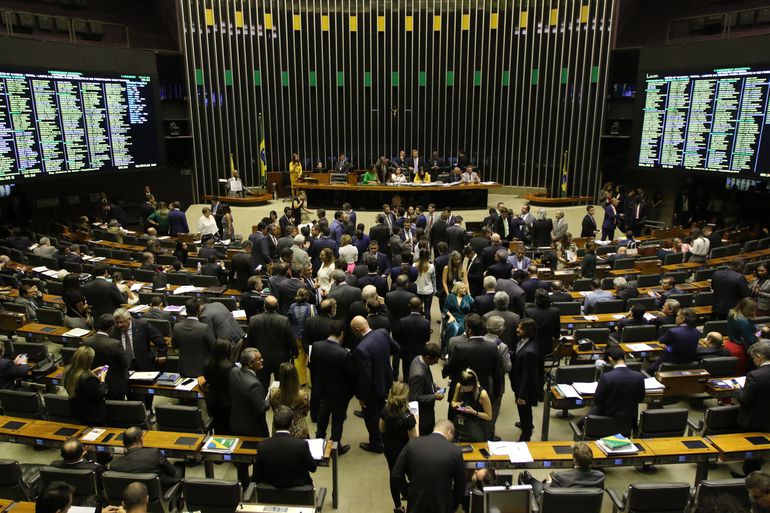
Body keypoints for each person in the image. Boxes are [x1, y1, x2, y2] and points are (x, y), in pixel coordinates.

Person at [392, 420, 466, 513]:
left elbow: (396, 474)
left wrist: (408, 492)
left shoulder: (412, 444)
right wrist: (453, 504)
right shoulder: (455, 451)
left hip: (416, 503)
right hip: (442, 505)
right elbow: (460, 485)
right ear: (449, 432)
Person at [351, 316, 400, 453]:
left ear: (357, 329)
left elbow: (365, 377)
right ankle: (385, 436)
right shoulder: (383, 332)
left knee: (372, 418)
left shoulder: (361, 349)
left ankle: (376, 444)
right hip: (386, 380)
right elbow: (396, 348)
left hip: (372, 390)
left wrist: (362, 397)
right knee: (384, 411)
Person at [310, 320, 353, 454]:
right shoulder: (344, 353)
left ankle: (319, 441)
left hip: (322, 389)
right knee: (337, 420)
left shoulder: (316, 346)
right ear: (341, 334)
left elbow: (313, 366)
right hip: (340, 393)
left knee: (323, 415)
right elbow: (351, 374)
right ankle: (335, 446)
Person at [229, 348, 270, 484]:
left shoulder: (234, 373)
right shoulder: (255, 385)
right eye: (259, 359)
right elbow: (260, 409)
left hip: (236, 423)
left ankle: (244, 484)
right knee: (260, 456)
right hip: (253, 429)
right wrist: (268, 399)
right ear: (250, 364)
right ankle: (257, 482)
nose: (262, 360)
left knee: (241, 460)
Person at [253, 405, 317, 488]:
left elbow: (256, 475)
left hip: (270, 497)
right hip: (299, 495)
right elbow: (313, 468)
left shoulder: (262, 446)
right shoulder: (301, 446)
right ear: (291, 424)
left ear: (274, 423)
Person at [585, 344, 645, 430]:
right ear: (624, 356)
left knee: (581, 424)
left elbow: (597, 401)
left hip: (606, 420)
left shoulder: (606, 377)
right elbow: (640, 399)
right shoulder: (639, 376)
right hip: (629, 421)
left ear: (610, 359)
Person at [380, 382, 419, 513]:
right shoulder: (408, 417)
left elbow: (382, 429)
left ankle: (397, 506)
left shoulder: (386, 410)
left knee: (394, 474)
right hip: (405, 451)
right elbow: (415, 440)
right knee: (413, 475)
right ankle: (410, 497)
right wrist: (416, 420)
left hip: (390, 449)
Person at [519, 442, 605, 499]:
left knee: (539, 485)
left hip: (559, 506)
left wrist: (549, 482)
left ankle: (528, 481)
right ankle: (529, 479)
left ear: (574, 460)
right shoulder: (600, 477)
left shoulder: (561, 477)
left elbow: (548, 494)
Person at [109, 427, 183, 490]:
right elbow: (172, 472)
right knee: (179, 466)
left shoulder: (114, 466)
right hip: (158, 490)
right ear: (141, 439)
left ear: (124, 443)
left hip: (135, 496)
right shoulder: (154, 453)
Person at [248, 296, 297, 385]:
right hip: (281, 359)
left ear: (264, 306)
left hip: (261, 358)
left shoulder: (254, 320)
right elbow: (291, 339)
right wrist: (295, 353)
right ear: (277, 306)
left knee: (262, 384)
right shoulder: (284, 320)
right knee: (281, 385)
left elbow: (250, 341)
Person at [737, 343, 770, 478]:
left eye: (753, 358)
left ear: (759, 357)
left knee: (752, 451)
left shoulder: (755, 375)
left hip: (755, 420)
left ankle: (750, 478)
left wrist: (737, 393)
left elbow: (744, 399)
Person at [82, 314, 128, 400]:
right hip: (113, 386)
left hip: (92, 383)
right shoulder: (115, 344)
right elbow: (125, 364)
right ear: (111, 328)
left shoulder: (86, 341)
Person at [511, 318, 542, 441]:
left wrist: (522, 396)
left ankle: (526, 433)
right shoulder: (523, 341)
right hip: (518, 383)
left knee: (525, 409)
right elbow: (518, 354)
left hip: (525, 388)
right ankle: (525, 424)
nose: (517, 329)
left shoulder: (530, 351)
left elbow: (528, 376)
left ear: (528, 331)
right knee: (522, 409)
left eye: (520, 328)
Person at [64, 346, 108, 425]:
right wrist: (102, 379)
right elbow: (100, 394)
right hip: (91, 415)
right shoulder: (89, 380)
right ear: (88, 361)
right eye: (91, 359)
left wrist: (92, 372)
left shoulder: (68, 371)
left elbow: (80, 378)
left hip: (76, 411)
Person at [409, 343, 444, 436]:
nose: (437, 363)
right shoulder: (418, 374)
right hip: (423, 413)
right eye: (435, 360)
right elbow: (414, 398)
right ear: (428, 357)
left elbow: (426, 377)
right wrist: (434, 397)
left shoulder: (418, 358)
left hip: (426, 406)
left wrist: (433, 385)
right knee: (425, 434)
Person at [649, 308, 700, 372]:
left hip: (669, 362)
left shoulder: (673, 331)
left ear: (682, 319)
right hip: (688, 364)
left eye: (677, 316)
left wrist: (668, 347)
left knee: (649, 370)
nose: (676, 318)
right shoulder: (697, 332)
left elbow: (661, 341)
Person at [173, 300, 215, 378]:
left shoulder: (176, 327)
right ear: (199, 310)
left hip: (183, 368)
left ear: (186, 311)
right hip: (202, 370)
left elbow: (174, 346)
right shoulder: (205, 327)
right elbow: (213, 347)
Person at [450, 369, 493, 442]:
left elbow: (489, 416)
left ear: (474, 384)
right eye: (463, 388)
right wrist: (454, 404)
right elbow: (453, 402)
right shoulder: (459, 386)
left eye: (468, 387)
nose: (465, 390)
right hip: (459, 423)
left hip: (474, 426)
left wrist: (474, 412)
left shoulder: (482, 394)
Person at [201, 339, 235, 435]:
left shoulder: (207, 365)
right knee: (228, 428)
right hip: (228, 401)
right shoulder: (231, 368)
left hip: (212, 399)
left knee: (217, 426)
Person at [269, 362, 310, 438]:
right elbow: (305, 412)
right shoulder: (303, 396)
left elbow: (274, 409)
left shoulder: (273, 393)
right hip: (298, 430)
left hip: (279, 430)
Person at [442, 281, 474, 354]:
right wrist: (450, 315)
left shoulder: (468, 297)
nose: (465, 289)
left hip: (464, 318)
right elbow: (445, 309)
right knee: (453, 327)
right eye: (462, 288)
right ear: (457, 289)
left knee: (462, 329)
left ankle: (458, 352)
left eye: (465, 288)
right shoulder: (450, 297)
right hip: (452, 317)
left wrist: (471, 297)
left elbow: (474, 307)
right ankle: (448, 351)